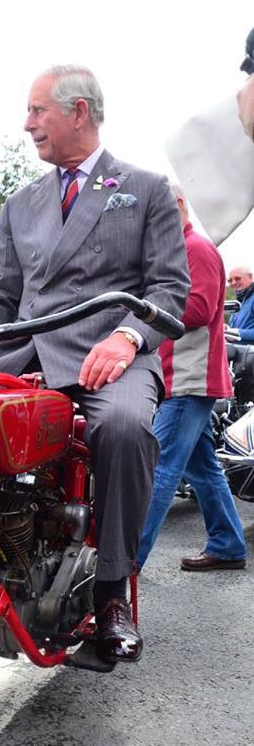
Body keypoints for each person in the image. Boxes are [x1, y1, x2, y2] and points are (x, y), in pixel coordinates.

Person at [0, 65, 190, 664]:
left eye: (37, 111)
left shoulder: (146, 189)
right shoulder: (20, 205)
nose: (27, 124)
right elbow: (0, 299)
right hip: (25, 352)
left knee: (124, 429)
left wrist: (127, 338)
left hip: (113, 358)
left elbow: (170, 290)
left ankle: (112, 591)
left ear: (79, 113)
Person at [137, 185, 246, 572]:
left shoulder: (196, 249)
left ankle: (125, 565)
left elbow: (199, 309)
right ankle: (229, 544)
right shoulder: (179, 251)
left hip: (190, 378)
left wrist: (144, 309)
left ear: (179, 205)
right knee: (202, 467)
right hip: (182, 377)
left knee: (159, 466)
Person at [226, 266, 254, 343]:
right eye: (230, 280)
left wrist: (238, 333)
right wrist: (227, 330)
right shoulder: (238, 302)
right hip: (239, 353)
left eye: (237, 278)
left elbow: (237, 332)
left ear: (250, 277)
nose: (233, 283)